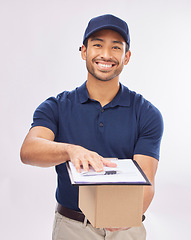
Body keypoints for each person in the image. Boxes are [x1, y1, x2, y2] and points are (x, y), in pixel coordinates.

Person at [20, 14, 163, 240]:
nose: (106, 55)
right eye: (97, 45)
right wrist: (70, 150)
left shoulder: (146, 113)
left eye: (116, 47)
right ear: (84, 51)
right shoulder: (56, 106)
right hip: (72, 228)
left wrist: (126, 215)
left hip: (127, 228)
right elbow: (29, 150)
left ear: (126, 57)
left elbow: (147, 179)